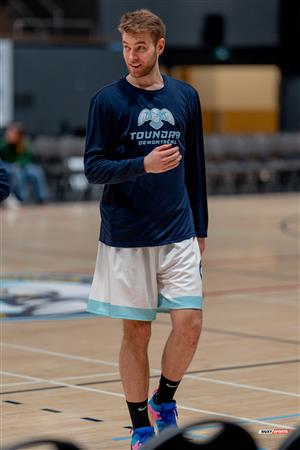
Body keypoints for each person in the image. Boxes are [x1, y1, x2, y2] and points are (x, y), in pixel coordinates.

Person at [84, 9, 208, 449]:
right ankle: (140, 428)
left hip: (178, 231)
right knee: (136, 332)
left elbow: (195, 165)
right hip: (127, 235)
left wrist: (201, 226)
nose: (131, 56)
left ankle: (165, 399)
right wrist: (143, 164)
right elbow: (93, 168)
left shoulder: (185, 96)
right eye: (125, 47)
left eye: (140, 48)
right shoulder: (107, 100)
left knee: (189, 324)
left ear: (159, 46)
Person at [0, 123, 49, 203]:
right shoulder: (4, 143)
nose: (10, 134)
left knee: (37, 171)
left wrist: (20, 163)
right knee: (16, 172)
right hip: (8, 166)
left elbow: (26, 157)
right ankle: (23, 199)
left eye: (13, 133)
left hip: (23, 166)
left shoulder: (24, 143)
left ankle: (42, 198)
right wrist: (7, 142)